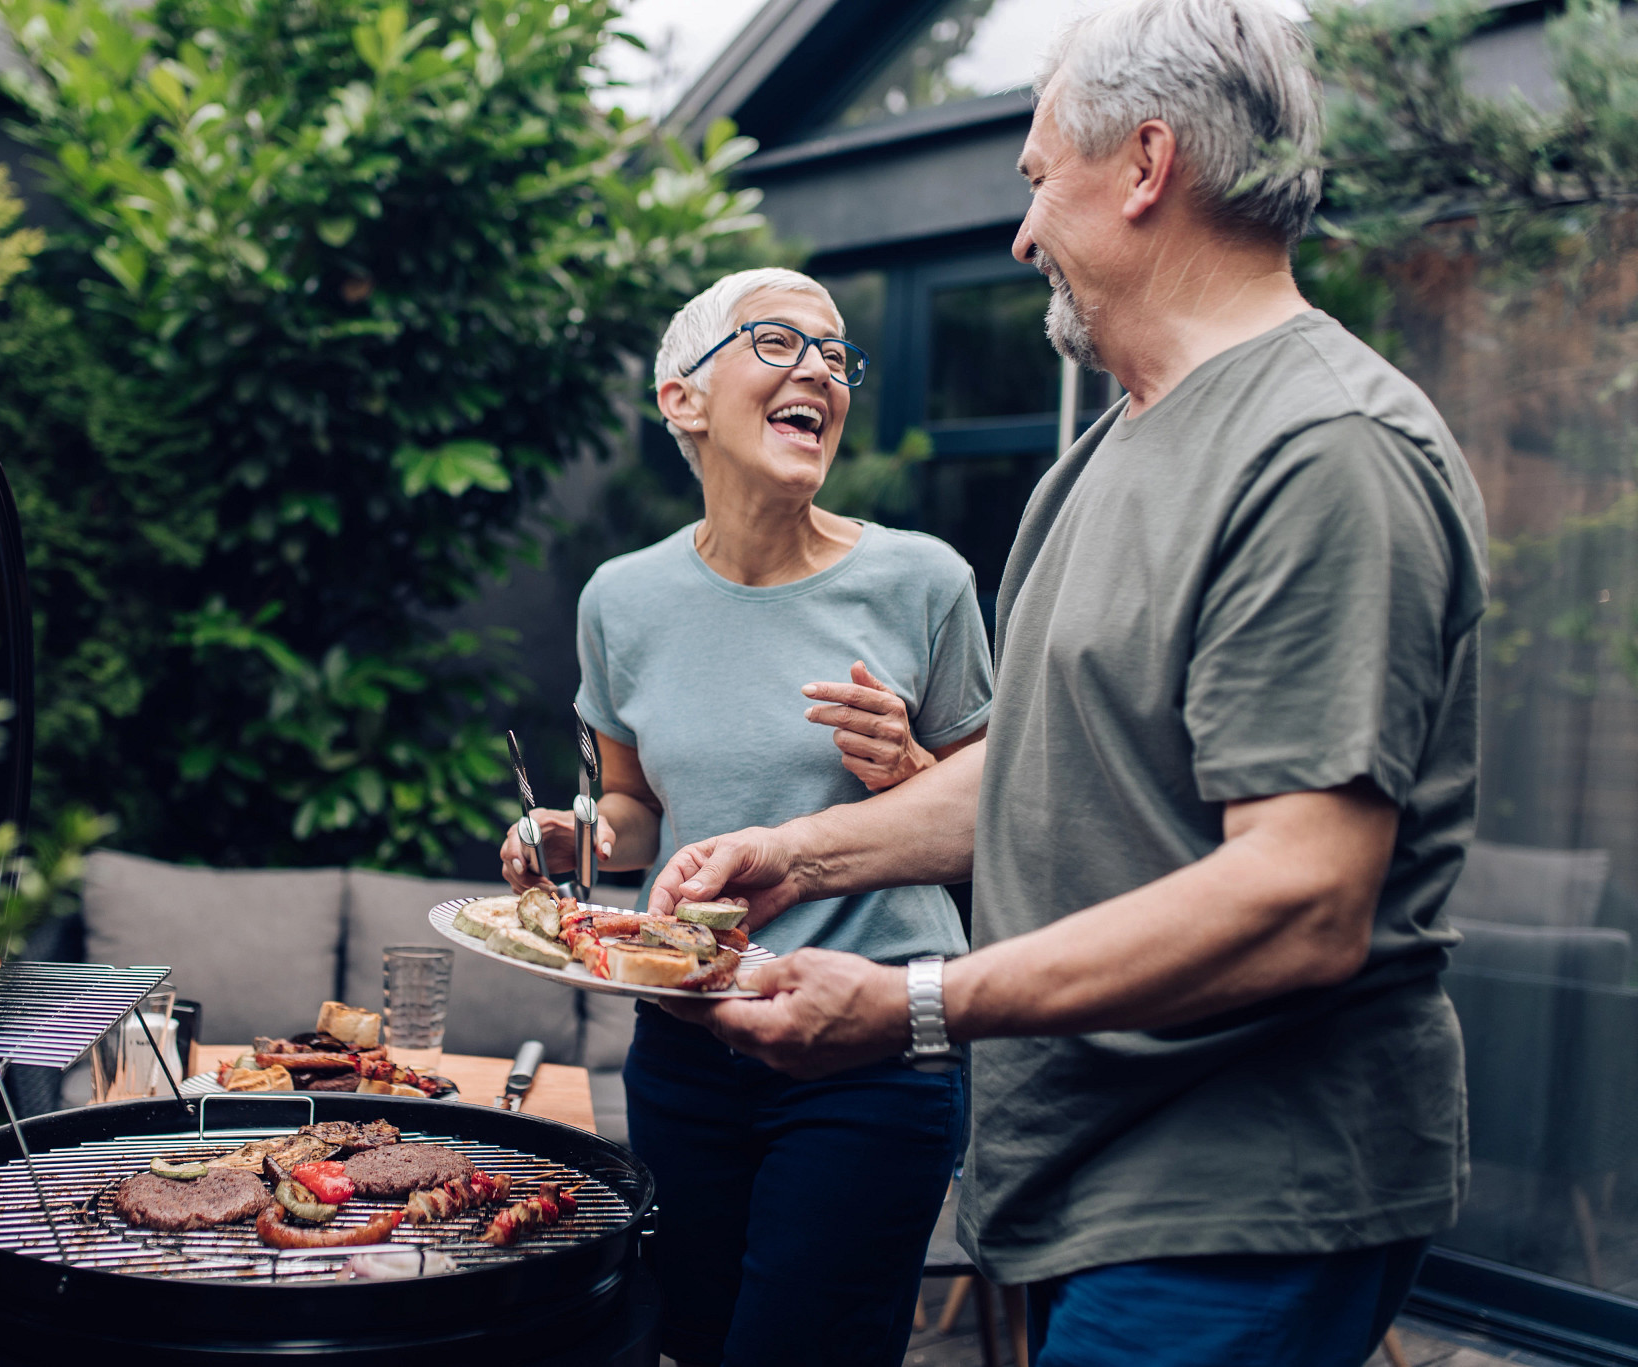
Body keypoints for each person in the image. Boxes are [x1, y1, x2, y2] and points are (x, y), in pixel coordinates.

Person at [643, 3, 1489, 1364]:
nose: (1025, 233)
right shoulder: (1111, 450)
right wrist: (794, 854)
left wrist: (914, 1002)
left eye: (1039, 179)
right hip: (1093, 1179)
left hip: (1237, 1196)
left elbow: (1302, 897)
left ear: (1145, 164)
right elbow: (1039, 764)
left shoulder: (1326, 450)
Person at [496, 266, 992, 1366]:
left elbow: (991, 810)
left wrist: (909, 762)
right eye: (778, 339)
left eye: (833, 353)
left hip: (864, 1057)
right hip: (682, 1049)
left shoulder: (923, 582)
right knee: (692, 1338)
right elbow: (630, 805)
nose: (819, 366)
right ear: (682, 397)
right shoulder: (619, 600)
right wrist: (575, 838)